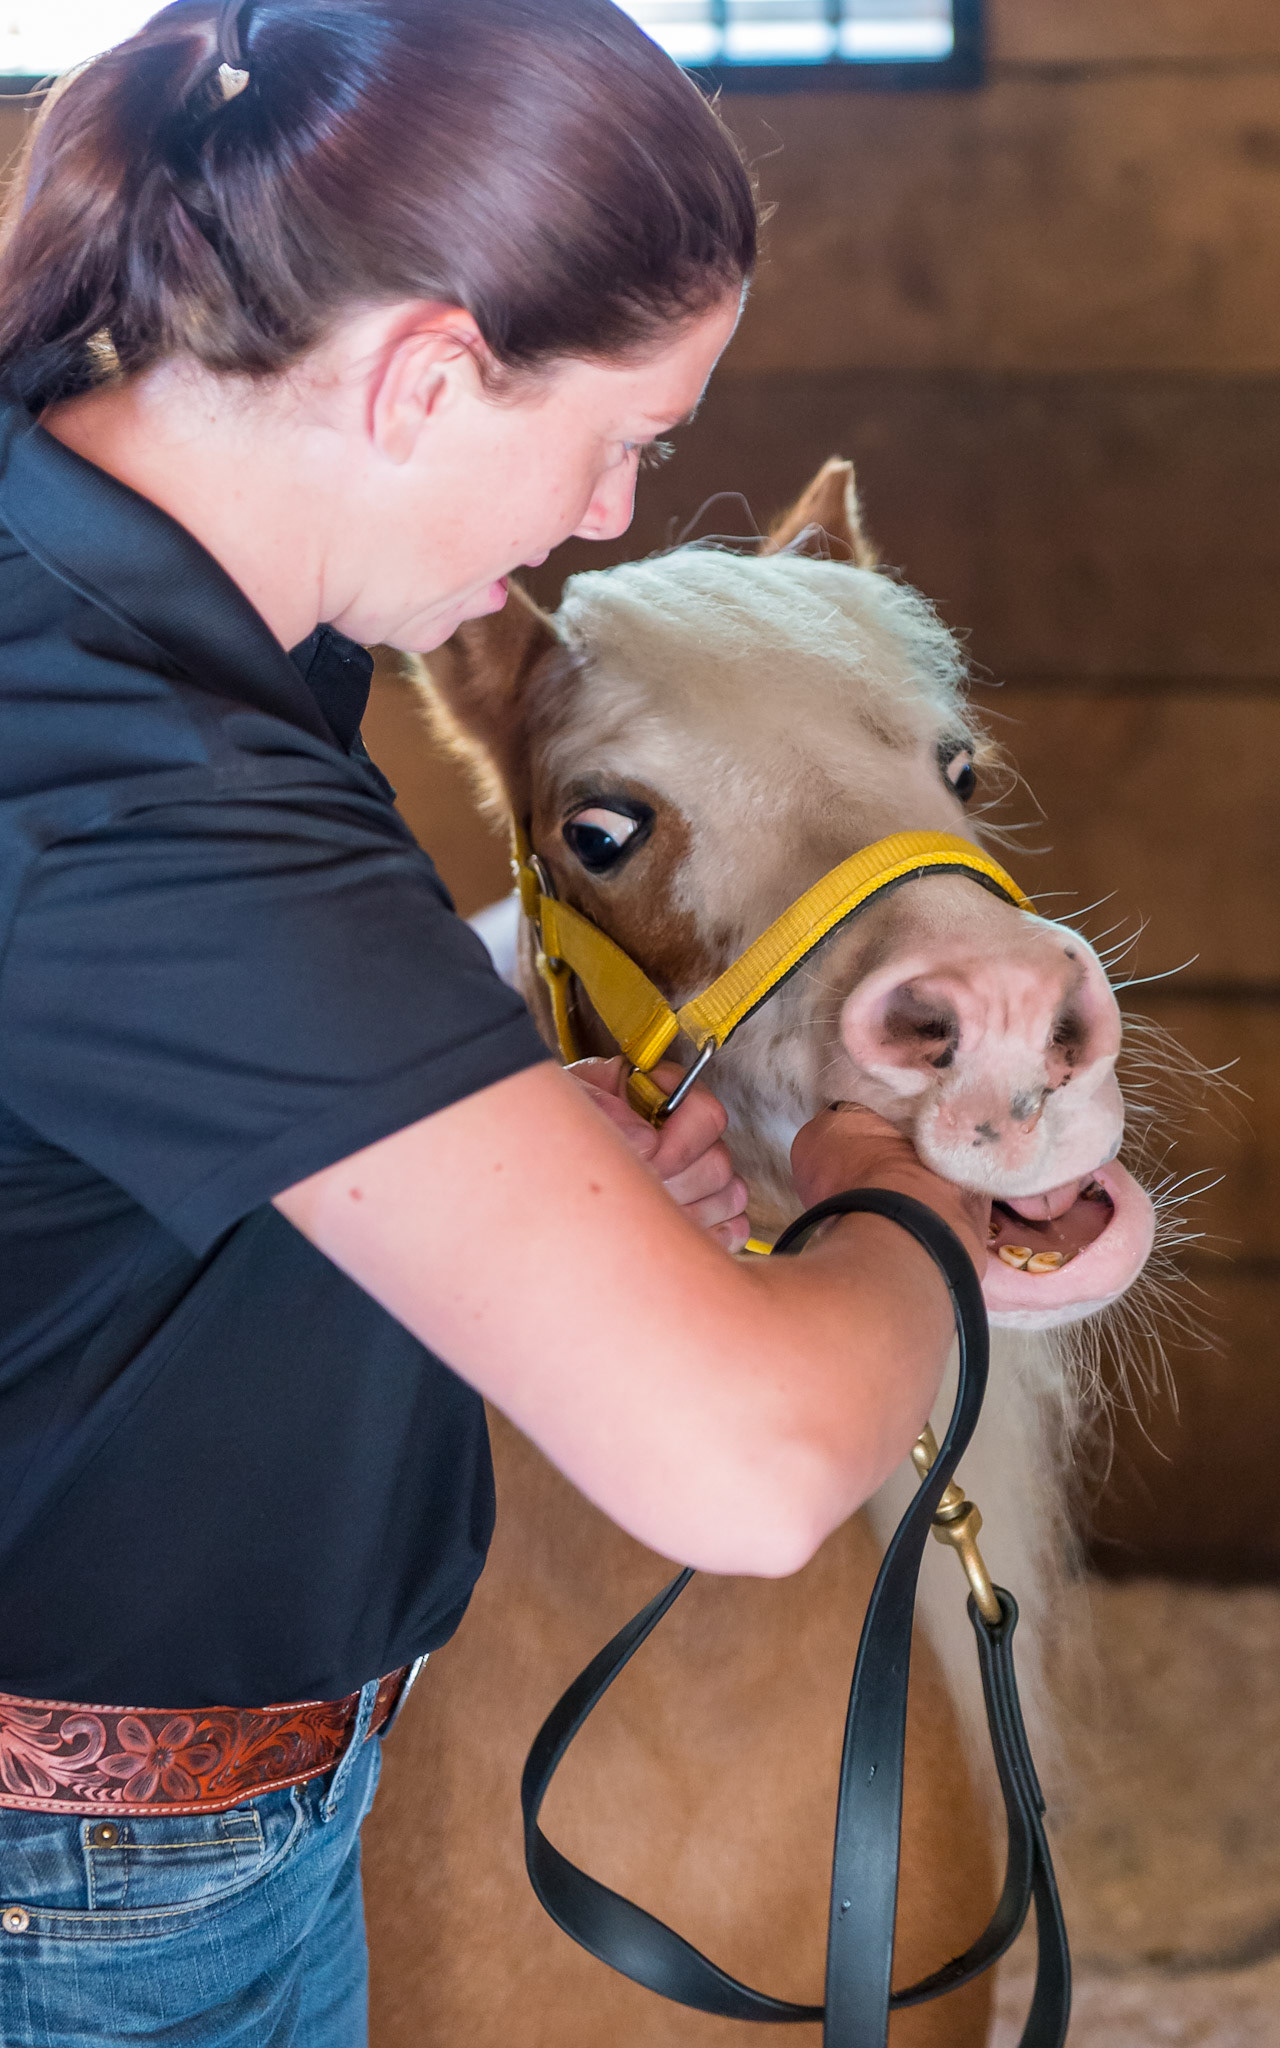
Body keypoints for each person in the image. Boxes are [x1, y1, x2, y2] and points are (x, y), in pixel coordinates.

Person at [0, 2, 988, 2042]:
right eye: (626, 435)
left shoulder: (122, 606)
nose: (614, 513)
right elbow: (754, 1460)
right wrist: (911, 1190)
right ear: (433, 376)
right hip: (94, 1903)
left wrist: (505, 1160)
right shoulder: (149, 779)